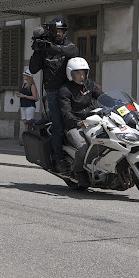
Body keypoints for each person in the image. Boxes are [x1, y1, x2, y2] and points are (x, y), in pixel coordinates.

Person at [29, 17, 80, 173]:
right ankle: (59, 159)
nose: (59, 33)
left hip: (71, 91)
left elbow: (73, 52)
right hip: (53, 92)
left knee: (80, 120)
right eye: (57, 31)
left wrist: (50, 47)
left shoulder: (68, 45)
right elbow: (32, 69)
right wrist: (38, 50)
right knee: (58, 126)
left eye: (62, 31)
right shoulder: (43, 49)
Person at [59, 57, 103, 187]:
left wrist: (117, 104)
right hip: (74, 126)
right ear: (70, 73)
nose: (82, 76)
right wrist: (78, 122)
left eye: (83, 72)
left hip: (92, 121)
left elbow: (101, 96)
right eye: (78, 73)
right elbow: (66, 112)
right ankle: (77, 171)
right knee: (83, 147)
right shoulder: (65, 90)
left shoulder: (88, 85)